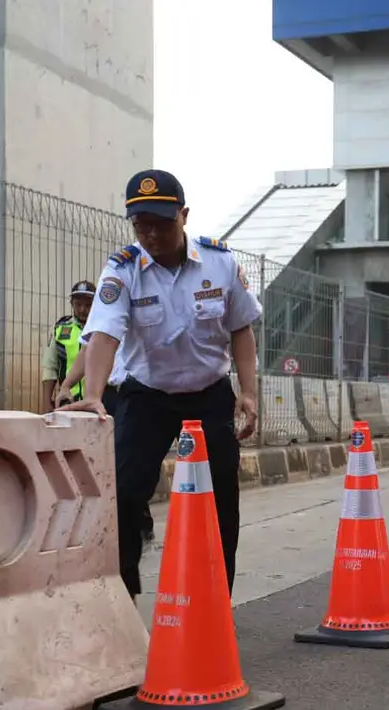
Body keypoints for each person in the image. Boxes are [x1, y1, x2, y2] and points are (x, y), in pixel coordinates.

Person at [57, 168, 261, 602]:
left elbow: (241, 329)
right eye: (140, 224)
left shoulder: (220, 263)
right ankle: (124, 596)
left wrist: (248, 392)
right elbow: (105, 334)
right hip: (146, 396)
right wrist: (92, 394)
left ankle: (214, 601)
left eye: (161, 223)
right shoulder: (123, 269)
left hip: (208, 395)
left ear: (183, 216)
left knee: (220, 494)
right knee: (124, 492)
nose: (150, 233)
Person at [55, 338, 156, 545]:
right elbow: (90, 346)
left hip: (142, 394)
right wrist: (66, 385)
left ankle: (139, 520)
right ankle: (113, 527)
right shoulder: (105, 310)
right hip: (108, 394)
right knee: (106, 461)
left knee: (134, 464)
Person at [40, 280, 96, 412]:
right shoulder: (60, 328)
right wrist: (46, 402)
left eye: (88, 305)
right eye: (78, 304)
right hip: (68, 401)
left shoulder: (104, 329)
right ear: (71, 303)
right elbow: (50, 367)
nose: (83, 309)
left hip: (97, 401)